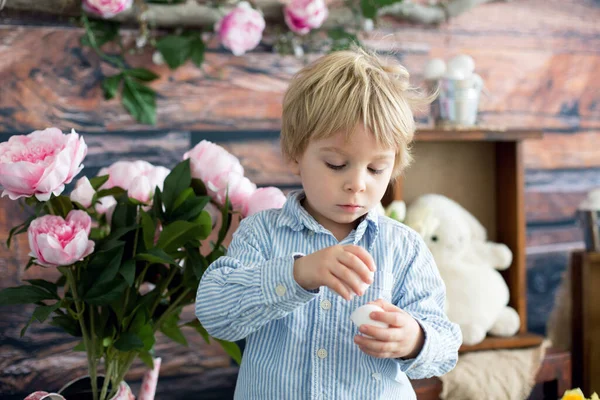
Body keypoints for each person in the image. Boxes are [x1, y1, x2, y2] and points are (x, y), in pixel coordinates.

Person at [195, 46, 462, 399]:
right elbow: (215, 313)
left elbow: (445, 347)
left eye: (376, 168)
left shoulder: (403, 248)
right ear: (295, 156)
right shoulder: (262, 233)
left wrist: (414, 338)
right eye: (336, 164)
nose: (358, 183)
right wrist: (296, 275)